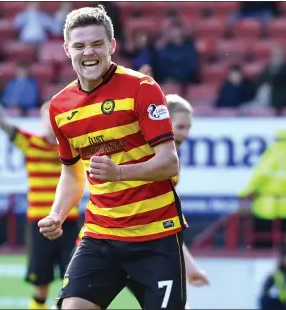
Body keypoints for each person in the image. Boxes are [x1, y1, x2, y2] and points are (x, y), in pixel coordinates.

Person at [38, 5, 187, 310]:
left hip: (156, 235)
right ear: (67, 49)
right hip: (100, 235)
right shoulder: (59, 107)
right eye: (79, 45)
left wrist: (118, 173)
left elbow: (169, 162)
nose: (88, 52)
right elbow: (71, 171)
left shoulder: (142, 89)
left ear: (112, 46)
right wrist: (57, 214)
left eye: (96, 43)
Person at [0, 61, 80, 310]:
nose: (51, 122)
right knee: (41, 288)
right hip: (39, 223)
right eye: (47, 117)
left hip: (68, 224)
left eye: (55, 118)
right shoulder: (30, 143)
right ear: (41, 120)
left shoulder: (76, 146)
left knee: (75, 286)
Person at [73, 94, 210, 306]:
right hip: (105, 242)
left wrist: (190, 266)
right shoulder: (139, 153)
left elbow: (160, 217)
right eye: (181, 126)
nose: (185, 134)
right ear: (164, 123)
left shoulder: (169, 166)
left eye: (188, 127)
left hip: (144, 244)